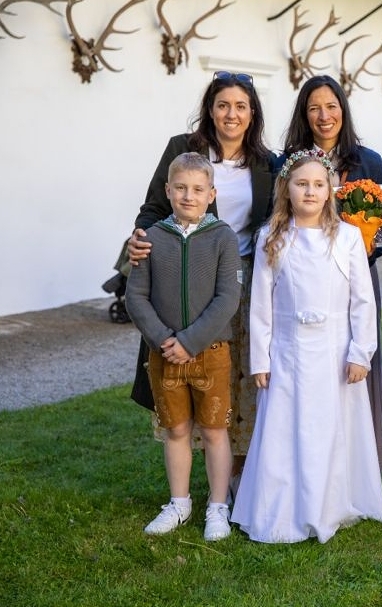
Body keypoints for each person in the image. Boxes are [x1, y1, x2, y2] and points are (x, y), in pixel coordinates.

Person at [128, 72, 276, 493]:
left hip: (244, 280)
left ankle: (235, 480)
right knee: (183, 369)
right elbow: (153, 208)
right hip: (187, 273)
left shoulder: (266, 162)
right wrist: (139, 238)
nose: (231, 114)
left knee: (238, 379)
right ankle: (187, 480)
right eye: (223, 104)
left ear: (252, 113)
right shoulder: (183, 149)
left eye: (241, 106)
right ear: (210, 109)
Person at [231, 151, 382, 543]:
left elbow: (362, 300)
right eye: (302, 184)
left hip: (335, 352)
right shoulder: (271, 238)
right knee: (286, 426)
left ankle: (329, 503)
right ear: (286, 188)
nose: (310, 191)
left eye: (319, 184)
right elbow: (261, 305)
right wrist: (261, 359)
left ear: (330, 190)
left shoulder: (347, 237)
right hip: (288, 351)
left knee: (329, 427)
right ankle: (284, 507)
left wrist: (360, 352)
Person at [125, 152, 241, 541]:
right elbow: (135, 297)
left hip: (212, 353)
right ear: (168, 190)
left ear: (211, 194)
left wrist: (190, 341)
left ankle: (218, 506)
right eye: (180, 188)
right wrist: (164, 340)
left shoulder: (223, 237)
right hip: (164, 355)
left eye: (197, 189)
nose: (188, 196)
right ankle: (179, 503)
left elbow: (228, 297)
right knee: (175, 429)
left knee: (214, 430)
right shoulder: (151, 238)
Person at [281, 74, 382, 473]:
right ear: (304, 114)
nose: (324, 115)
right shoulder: (289, 163)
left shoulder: (369, 161)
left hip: (357, 278)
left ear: (343, 110)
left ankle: (359, 463)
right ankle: (305, 459)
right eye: (314, 108)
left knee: (356, 365)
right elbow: (277, 221)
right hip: (303, 289)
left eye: (331, 106)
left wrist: (365, 245)